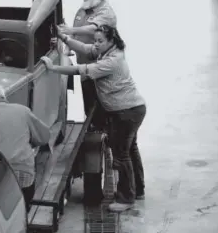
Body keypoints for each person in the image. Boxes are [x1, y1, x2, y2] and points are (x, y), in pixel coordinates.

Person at [41, 25, 146, 212]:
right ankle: (137, 189)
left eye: (100, 41)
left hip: (126, 112)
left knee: (121, 155)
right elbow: (84, 48)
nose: (96, 45)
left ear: (111, 41)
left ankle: (126, 198)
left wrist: (53, 68)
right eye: (95, 40)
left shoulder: (111, 61)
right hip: (132, 109)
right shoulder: (108, 51)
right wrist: (65, 38)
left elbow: (80, 70)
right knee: (129, 150)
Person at [0, 84, 51, 209]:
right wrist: (30, 142)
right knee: (23, 207)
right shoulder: (23, 111)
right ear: (3, 97)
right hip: (24, 172)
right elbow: (44, 136)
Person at [58, 0, 117, 132]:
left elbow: (93, 29)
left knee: (102, 111)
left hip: (101, 72)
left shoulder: (106, 12)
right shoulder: (82, 10)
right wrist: (67, 49)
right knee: (89, 107)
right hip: (85, 68)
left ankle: (106, 144)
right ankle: (94, 131)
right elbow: (75, 32)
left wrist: (70, 31)